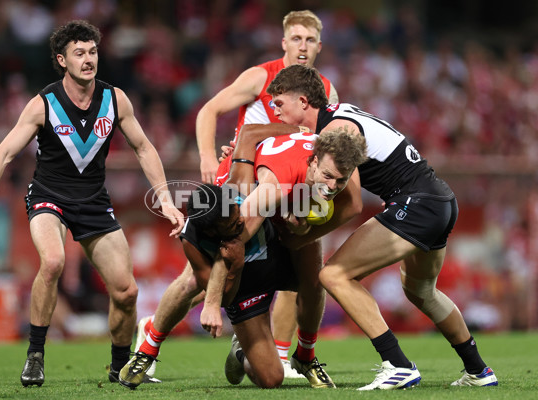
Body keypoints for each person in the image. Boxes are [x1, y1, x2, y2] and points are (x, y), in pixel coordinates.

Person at [235, 64, 498, 390]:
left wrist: (302, 236)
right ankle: (479, 372)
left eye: (279, 104)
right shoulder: (335, 120)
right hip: (439, 200)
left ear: (303, 102)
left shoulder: (337, 133)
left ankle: (398, 365)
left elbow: (352, 203)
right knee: (421, 291)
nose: (274, 111)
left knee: (333, 274)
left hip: (416, 203)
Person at [0, 20, 184, 388]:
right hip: (49, 197)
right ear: (62, 60)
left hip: (94, 202)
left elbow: (144, 148)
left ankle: (119, 369)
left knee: (127, 292)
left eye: (93, 51)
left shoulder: (116, 100)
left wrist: (166, 200)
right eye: (79, 53)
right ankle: (35, 356)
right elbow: (3, 153)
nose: (88, 59)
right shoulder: (43, 104)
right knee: (53, 261)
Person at [120, 124, 365, 390]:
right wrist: (213, 304)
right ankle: (148, 348)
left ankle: (305, 357)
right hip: (241, 202)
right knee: (194, 281)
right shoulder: (266, 191)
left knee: (315, 279)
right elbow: (232, 240)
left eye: (340, 180)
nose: (332, 187)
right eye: (328, 176)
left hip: (280, 206)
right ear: (314, 161)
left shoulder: (336, 160)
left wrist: (302, 234)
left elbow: (353, 206)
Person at [194, 9, 339, 378]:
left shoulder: (326, 89)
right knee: (202, 271)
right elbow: (209, 110)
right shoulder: (261, 76)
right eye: (296, 38)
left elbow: (321, 144)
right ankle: (154, 334)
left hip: (293, 189)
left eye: (309, 40)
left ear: (319, 46)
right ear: (284, 42)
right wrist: (210, 158)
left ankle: (286, 355)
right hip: (249, 182)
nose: (302, 46)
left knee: (305, 272)